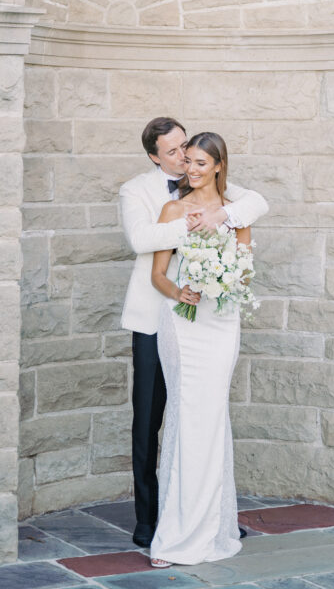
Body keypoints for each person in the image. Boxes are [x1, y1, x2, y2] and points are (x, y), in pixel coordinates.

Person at [120, 117, 268, 549]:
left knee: (209, 416)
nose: (185, 158)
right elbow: (140, 240)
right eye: (175, 152)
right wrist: (193, 222)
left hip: (214, 320)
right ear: (154, 156)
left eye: (190, 150)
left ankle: (214, 516)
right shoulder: (139, 192)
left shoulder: (228, 196)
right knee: (151, 421)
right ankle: (151, 521)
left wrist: (222, 215)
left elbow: (254, 205)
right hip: (160, 316)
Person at [149, 132, 248, 567]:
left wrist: (224, 281)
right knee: (186, 417)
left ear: (219, 166)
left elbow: (245, 275)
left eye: (200, 164)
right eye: (187, 162)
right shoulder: (172, 209)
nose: (190, 170)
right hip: (184, 326)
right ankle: (173, 537)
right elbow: (158, 275)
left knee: (212, 420)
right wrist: (182, 292)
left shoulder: (235, 214)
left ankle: (212, 529)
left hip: (222, 324)